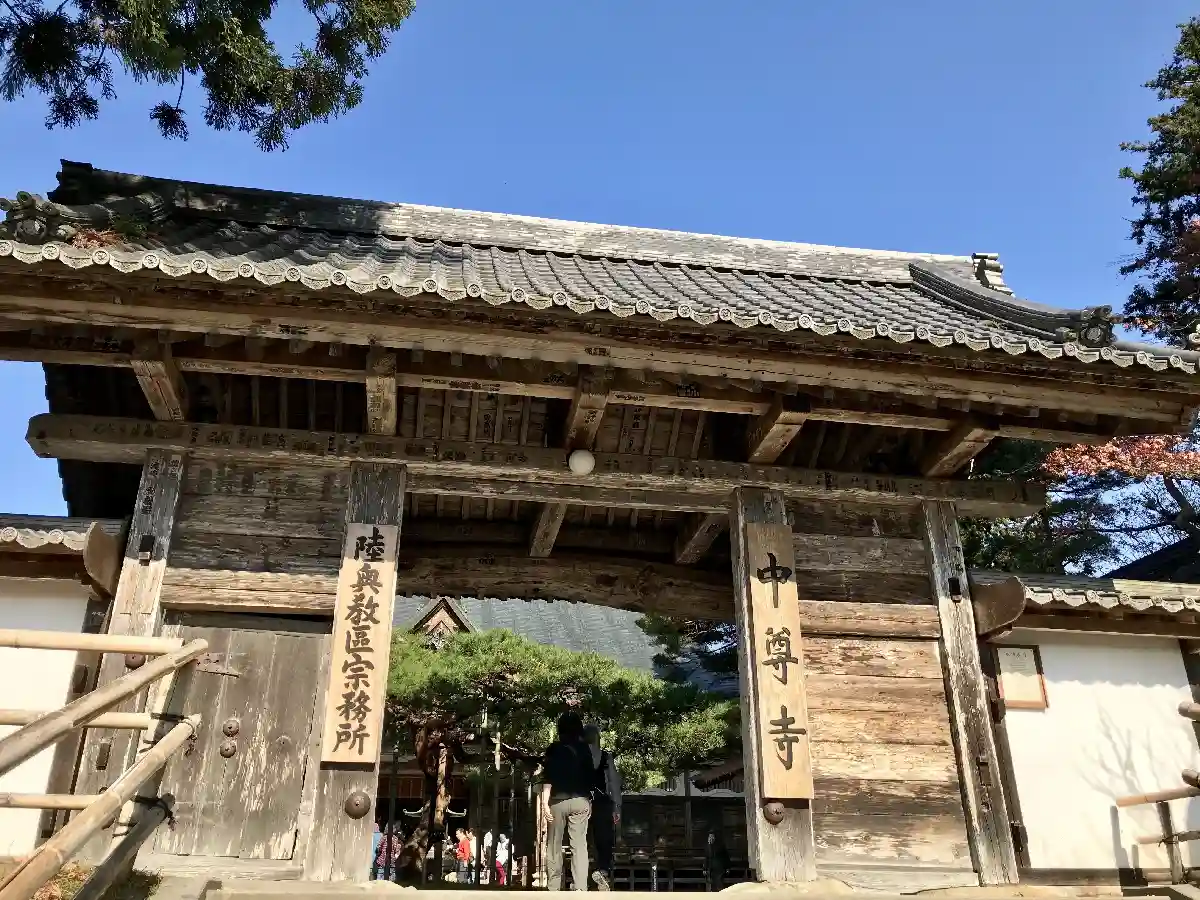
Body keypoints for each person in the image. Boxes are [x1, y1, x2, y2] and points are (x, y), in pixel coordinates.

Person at [540, 710, 594, 891]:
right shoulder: (585, 749)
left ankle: (554, 886)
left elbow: (548, 777)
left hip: (557, 801)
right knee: (579, 844)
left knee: (554, 844)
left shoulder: (553, 749)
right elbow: (590, 776)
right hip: (580, 800)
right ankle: (580, 887)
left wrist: (544, 803)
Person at [583, 723, 622, 892]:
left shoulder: (577, 755)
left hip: (582, 800)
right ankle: (603, 871)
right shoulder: (606, 757)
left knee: (581, 840)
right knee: (604, 839)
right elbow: (613, 783)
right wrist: (617, 806)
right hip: (602, 801)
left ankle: (582, 875)